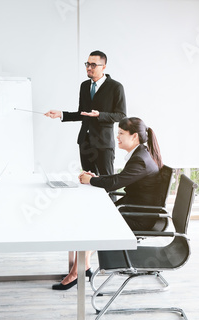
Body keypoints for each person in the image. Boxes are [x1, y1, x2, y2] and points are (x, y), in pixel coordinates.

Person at [52, 117, 164, 290]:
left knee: (90, 222)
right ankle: (83, 267)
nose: (116, 137)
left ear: (134, 137)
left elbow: (116, 183)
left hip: (139, 218)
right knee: (88, 218)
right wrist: (95, 178)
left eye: (120, 133)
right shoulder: (140, 154)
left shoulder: (140, 159)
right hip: (132, 210)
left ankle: (78, 271)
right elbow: (118, 179)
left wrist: (92, 180)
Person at [45, 50, 126, 176]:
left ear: (103, 67)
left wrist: (100, 115)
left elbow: (121, 115)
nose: (88, 68)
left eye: (93, 65)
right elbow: (81, 113)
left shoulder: (115, 87)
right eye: (87, 64)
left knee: (106, 182)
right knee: (88, 181)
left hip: (103, 144)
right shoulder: (84, 86)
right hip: (85, 142)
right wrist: (61, 114)